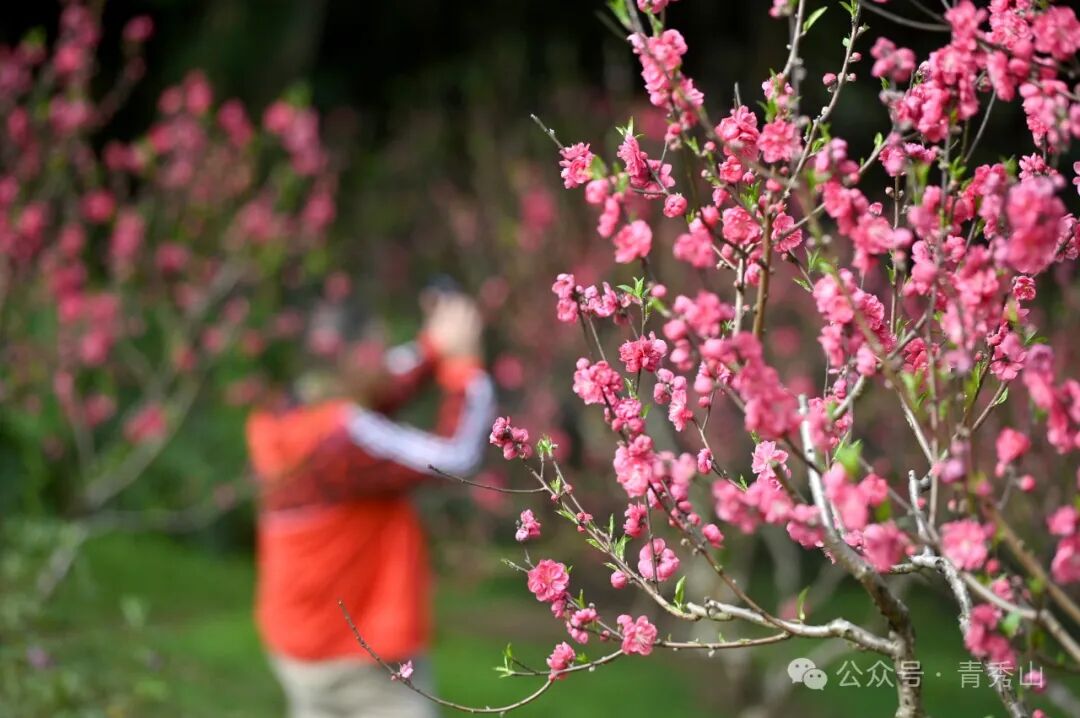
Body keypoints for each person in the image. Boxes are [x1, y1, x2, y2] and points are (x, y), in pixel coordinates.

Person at [246, 293, 494, 718]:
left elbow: (373, 387)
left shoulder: (283, 415)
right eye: (378, 347)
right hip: (363, 658)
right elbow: (455, 455)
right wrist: (464, 366)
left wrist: (432, 345)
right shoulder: (344, 438)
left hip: (296, 643)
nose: (386, 358)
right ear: (352, 357)